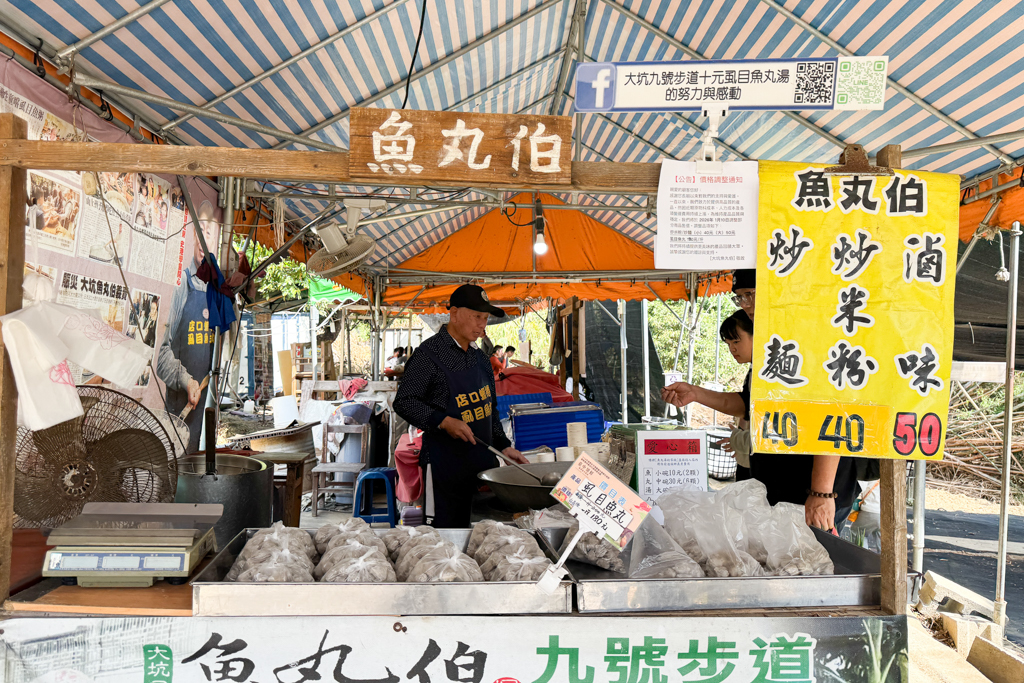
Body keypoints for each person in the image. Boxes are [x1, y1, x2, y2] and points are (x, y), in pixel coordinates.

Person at [662, 268, 860, 532]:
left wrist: (822, 493)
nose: (746, 305)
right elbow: (749, 405)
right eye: (740, 298)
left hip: (813, 495)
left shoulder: (814, 339)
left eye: (750, 295)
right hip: (781, 488)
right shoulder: (773, 348)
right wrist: (696, 394)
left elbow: (834, 414)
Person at [394, 284, 527, 527]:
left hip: (482, 470)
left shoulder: (481, 359)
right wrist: (443, 421)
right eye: (477, 317)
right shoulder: (429, 354)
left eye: (485, 318)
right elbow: (404, 402)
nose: (482, 325)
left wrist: (503, 446)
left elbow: (490, 410)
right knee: (447, 541)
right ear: (454, 314)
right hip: (445, 470)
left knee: (479, 535)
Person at [155, 200, 219, 453]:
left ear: (216, 240)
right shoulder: (181, 283)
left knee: (195, 467)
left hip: (203, 409)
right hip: (179, 406)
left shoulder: (216, 289)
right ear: (194, 235)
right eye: (200, 231)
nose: (204, 241)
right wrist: (187, 381)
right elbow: (160, 354)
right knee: (175, 469)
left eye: (209, 233)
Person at [716, 310, 754, 481]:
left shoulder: (766, 377)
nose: (732, 349)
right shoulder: (754, 371)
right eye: (728, 343)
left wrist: (739, 440)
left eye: (737, 341)